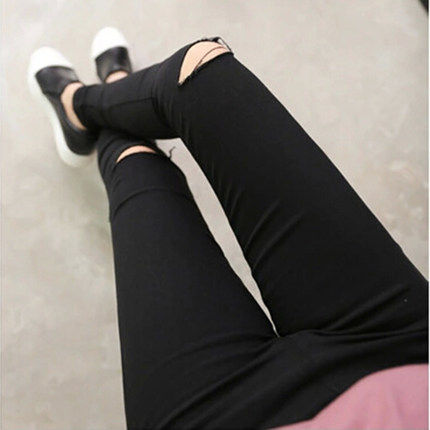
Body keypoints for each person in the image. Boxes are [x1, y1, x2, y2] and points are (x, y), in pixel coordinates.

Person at [28, 28, 428, 429]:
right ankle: (84, 101)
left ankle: (98, 100)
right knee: (201, 72)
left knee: (135, 165)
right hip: (405, 351)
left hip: (226, 416)